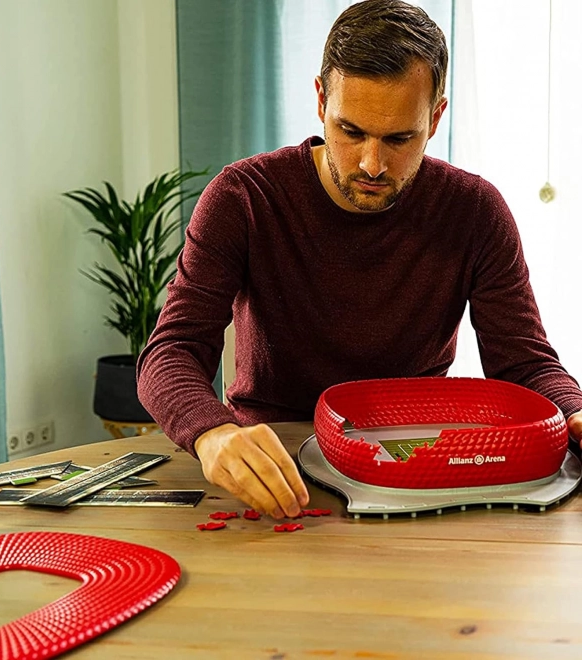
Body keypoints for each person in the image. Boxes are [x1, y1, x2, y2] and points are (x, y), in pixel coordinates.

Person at [137, 0, 582, 519]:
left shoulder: (476, 211)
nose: (373, 164)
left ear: (435, 117)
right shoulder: (243, 198)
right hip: (276, 463)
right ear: (322, 99)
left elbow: (524, 361)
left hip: (415, 466)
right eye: (351, 132)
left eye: (399, 138)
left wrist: (574, 411)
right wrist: (211, 432)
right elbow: (171, 351)